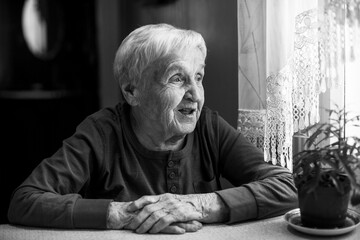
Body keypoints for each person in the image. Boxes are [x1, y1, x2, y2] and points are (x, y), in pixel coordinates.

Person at [8, 23, 297, 234]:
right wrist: (121, 213)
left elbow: (288, 186)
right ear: (132, 91)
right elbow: (25, 201)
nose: (195, 94)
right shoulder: (101, 132)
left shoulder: (209, 127)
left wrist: (199, 205)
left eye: (198, 77)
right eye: (177, 79)